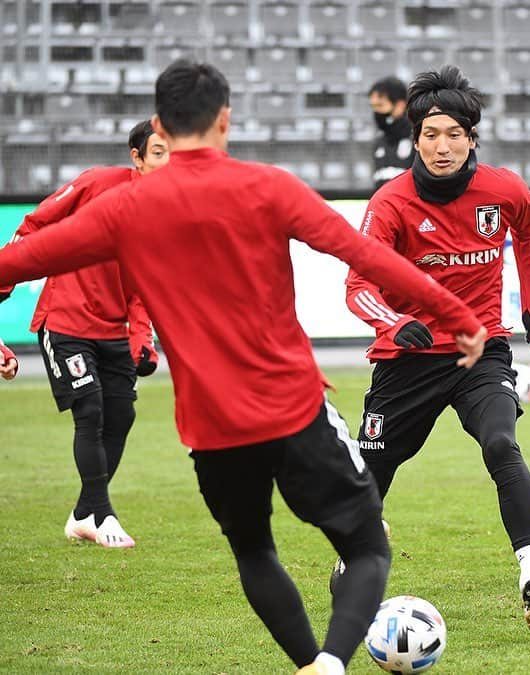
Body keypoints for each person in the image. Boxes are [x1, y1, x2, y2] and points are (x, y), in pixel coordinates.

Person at [0, 59, 486, 675]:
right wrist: (456, 314)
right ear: (225, 119)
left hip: (210, 427)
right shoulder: (268, 187)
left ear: (161, 126)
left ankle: (311, 664)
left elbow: (19, 259)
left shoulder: (124, 207)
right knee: (367, 546)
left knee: (255, 551)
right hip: (292, 408)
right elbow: (363, 254)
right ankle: (332, 662)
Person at [343, 65, 530, 627]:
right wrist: (393, 323)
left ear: (472, 138)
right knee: (370, 478)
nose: (443, 147)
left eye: (454, 135)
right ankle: (352, 561)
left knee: (500, 443)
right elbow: (357, 286)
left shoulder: (505, 188)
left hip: (479, 350)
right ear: (414, 139)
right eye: (431, 135)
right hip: (407, 360)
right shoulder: (390, 203)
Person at [0, 120, 167, 548]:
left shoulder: (168, 214)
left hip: (113, 330)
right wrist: (5, 280)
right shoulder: (96, 183)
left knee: (122, 415)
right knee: (89, 411)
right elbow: (35, 225)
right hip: (65, 321)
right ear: (137, 157)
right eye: (159, 153)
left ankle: (82, 514)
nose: (169, 163)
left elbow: (144, 285)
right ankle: (103, 513)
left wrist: (142, 339)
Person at [368, 76, 414, 190]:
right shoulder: (379, 141)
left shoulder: (419, 137)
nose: (376, 112)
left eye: (380, 105)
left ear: (400, 105)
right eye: (373, 107)